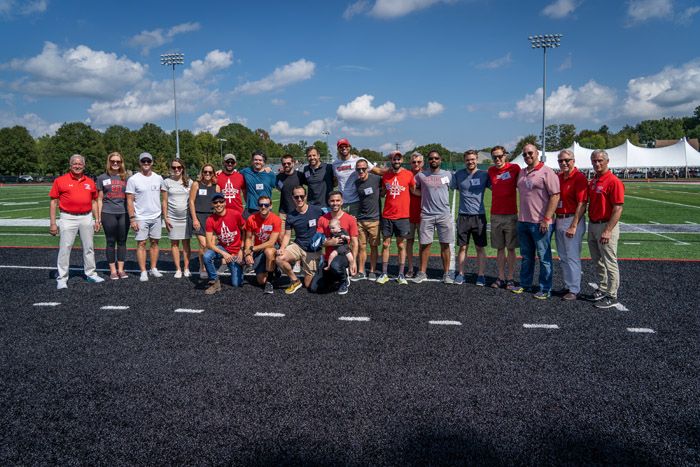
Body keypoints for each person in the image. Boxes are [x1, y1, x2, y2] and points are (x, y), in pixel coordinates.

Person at [511, 144, 560, 299]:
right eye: (524, 154)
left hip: (540, 223)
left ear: (537, 153)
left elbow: (555, 196)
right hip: (523, 221)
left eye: (530, 153)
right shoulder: (522, 172)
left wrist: (546, 219)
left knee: (544, 258)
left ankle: (545, 288)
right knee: (526, 256)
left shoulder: (547, 171)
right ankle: (525, 285)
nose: (527, 156)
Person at [49, 154, 104, 289]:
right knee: (65, 248)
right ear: (70, 165)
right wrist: (53, 223)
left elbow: (94, 202)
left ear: (84, 166)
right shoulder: (60, 180)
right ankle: (62, 277)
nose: (77, 166)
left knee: (89, 247)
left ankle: (90, 273)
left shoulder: (90, 181)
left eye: (80, 164)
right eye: (75, 164)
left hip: (86, 217)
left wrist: (97, 220)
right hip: (67, 217)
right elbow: (53, 202)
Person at [584, 149, 625, 309]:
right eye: (594, 161)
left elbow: (618, 208)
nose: (597, 163)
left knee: (610, 261)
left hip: (606, 225)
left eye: (600, 160)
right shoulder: (594, 180)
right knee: (597, 261)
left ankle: (612, 295)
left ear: (607, 161)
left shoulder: (613, 181)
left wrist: (608, 230)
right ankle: (602, 288)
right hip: (593, 224)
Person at [412, 150, 454, 284]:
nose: (433, 160)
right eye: (431, 158)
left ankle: (447, 274)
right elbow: (412, 188)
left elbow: (456, 187)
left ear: (440, 160)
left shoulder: (448, 175)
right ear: (428, 161)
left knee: (445, 245)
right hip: (427, 215)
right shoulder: (421, 175)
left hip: (444, 215)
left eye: (436, 158)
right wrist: (423, 195)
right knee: (425, 245)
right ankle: (422, 272)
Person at [451, 150, 491, 286]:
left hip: (479, 216)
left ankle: (481, 275)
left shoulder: (484, 175)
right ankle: (461, 274)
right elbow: (455, 187)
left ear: (477, 159)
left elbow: (495, 188)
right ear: (464, 161)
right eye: (468, 160)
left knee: (480, 247)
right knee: (463, 247)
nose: (470, 162)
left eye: (473, 159)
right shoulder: (459, 174)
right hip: (463, 216)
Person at [275, 186, 324, 293]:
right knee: (280, 258)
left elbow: (328, 221)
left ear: (306, 196)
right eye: (296, 197)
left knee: (309, 285)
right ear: (293, 198)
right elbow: (287, 235)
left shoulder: (317, 211)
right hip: (298, 245)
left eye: (302, 196)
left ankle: (321, 267)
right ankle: (295, 280)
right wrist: (282, 248)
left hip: (312, 250)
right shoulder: (291, 215)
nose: (299, 199)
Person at [554, 149, 588, 301]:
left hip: (572, 219)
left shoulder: (579, 178)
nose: (564, 163)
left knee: (572, 256)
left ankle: (575, 289)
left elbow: (582, 203)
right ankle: (568, 285)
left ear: (573, 161)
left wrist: (574, 225)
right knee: (563, 256)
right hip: (560, 218)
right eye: (561, 161)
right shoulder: (559, 177)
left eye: (567, 160)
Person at [309, 191, 359, 295]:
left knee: (336, 265)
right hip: (328, 258)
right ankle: (335, 274)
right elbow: (318, 242)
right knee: (314, 288)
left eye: (337, 200)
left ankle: (343, 280)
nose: (335, 203)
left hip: (343, 255)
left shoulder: (350, 219)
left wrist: (353, 262)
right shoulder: (323, 219)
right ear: (328, 202)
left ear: (342, 202)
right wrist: (330, 243)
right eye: (332, 201)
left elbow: (355, 243)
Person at [377, 151, 415, 285]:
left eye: (398, 159)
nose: (396, 161)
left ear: (401, 160)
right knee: (386, 244)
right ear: (391, 160)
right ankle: (384, 273)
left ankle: (400, 274)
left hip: (403, 216)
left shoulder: (408, 175)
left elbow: (414, 190)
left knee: (400, 245)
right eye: (394, 159)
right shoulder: (386, 175)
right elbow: (382, 192)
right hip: (387, 215)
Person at [126, 152, 164, 282]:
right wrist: (132, 218)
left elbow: (163, 197)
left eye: (148, 161)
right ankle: (143, 271)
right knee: (141, 243)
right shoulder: (133, 179)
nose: (146, 163)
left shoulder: (158, 178)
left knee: (154, 242)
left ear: (152, 162)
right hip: (140, 217)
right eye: (144, 161)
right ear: (140, 162)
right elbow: (129, 200)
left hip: (156, 216)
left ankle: (153, 268)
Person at [487, 145, 520, 290]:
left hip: (511, 215)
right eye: (494, 157)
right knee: (500, 248)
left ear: (505, 155)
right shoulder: (490, 171)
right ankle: (500, 277)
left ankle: (510, 278)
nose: (497, 159)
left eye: (500, 156)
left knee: (511, 248)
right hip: (495, 215)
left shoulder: (514, 168)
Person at [203, 192, 244, 294]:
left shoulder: (235, 214)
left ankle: (237, 264)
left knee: (237, 284)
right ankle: (214, 282)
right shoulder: (210, 220)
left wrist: (242, 249)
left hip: (236, 250)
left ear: (225, 203)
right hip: (223, 248)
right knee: (207, 256)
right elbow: (209, 244)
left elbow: (246, 232)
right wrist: (224, 254)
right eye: (215, 202)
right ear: (212, 204)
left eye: (221, 201)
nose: (218, 204)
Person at [96, 152, 129, 280]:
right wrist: (98, 219)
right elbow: (99, 199)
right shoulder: (102, 178)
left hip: (124, 213)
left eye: (118, 162)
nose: (115, 164)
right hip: (108, 213)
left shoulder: (126, 178)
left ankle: (121, 269)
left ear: (121, 163)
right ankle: (113, 270)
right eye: (113, 161)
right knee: (110, 242)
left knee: (122, 241)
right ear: (109, 162)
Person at [332, 138, 385, 217]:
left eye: (345, 146)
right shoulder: (335, 164)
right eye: (341, 147)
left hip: (356, 202)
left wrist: (395, 171)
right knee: (341, 228)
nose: (343, 148)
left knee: (355, 228)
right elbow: (335, 182)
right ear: (338, 149)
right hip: (342, 203)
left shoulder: (358, 160)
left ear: (349, 147)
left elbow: (378, 171)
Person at [243, 195, 282, 294]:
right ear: (257, 206)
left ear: (270, 206)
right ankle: (274, 268)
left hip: (271, 248)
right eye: (261, 205)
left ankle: (270, 281)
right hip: (258, 249)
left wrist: (251, 249)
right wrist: (247, 254)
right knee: (261, 281)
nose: (263, 207)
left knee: (269, 251)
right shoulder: (251, 219)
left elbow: (271, 242)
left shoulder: (276, 219)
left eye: (266, 205)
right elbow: (248, 238)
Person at [351, 158, 382, 281]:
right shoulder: (357, 183)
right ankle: (360, 270)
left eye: (363, 168)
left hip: (374, 219)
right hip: (361, 219)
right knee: (361, 247)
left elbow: (387, 181)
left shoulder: (376, 179)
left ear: (368, 168)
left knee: (373, 246)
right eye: (358, 169)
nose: (361, 171)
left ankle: (373, 271)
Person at [161, 158, 192, 278]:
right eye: (174, 167)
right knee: (174, 244)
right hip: (172, 218)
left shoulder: (189, 182)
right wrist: (166, 218)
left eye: (178, 167)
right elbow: (164, 202)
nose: (176, 170)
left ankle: (186, 268)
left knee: (186, 244)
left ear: (183, 168)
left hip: (186, 218)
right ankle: (178, 269)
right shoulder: (167, 182)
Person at [189, 163, 220, 279]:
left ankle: (208, 266)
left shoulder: (216, 187)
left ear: (213, 173)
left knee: (211, 245)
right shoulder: (196, 185)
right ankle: (202, 267)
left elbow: (219, 204)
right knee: (203, 244)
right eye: (205, 171)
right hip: (199, 217)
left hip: (212, 218)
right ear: (202, 173)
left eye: (210, 172)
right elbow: (191, 202)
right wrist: (195, 219)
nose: (207, 174)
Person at [240, 150, 276, 219]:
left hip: (265, 209)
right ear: (252, 161)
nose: (258, 162)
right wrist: (222, 171)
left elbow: (279, 186)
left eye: (260, 160)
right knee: (245, 229)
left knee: (266, 229)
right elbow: (233, 174)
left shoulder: (270, 174)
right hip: (250, 209)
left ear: (264, 162)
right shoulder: (246, 171)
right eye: (255, 160)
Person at [406, 152, 424, 278]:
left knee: (423, 243)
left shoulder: (426, 175)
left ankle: (422, 269)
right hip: (408, 214)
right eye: (413, 162)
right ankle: (410, 268)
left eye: (418, 162)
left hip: (424, 215)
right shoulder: (406, 174)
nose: (416, 164)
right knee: (409, 242)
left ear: (422, 163)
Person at [276, 153, 304, 231]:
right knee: (281, 236)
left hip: (298, 211)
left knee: (301, 236)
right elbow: (278, 187)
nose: (286, 165)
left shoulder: (300, 175)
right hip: (283, 212)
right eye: (284, 163)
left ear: (293, 163)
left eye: (288, 163)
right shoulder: (279, 176)